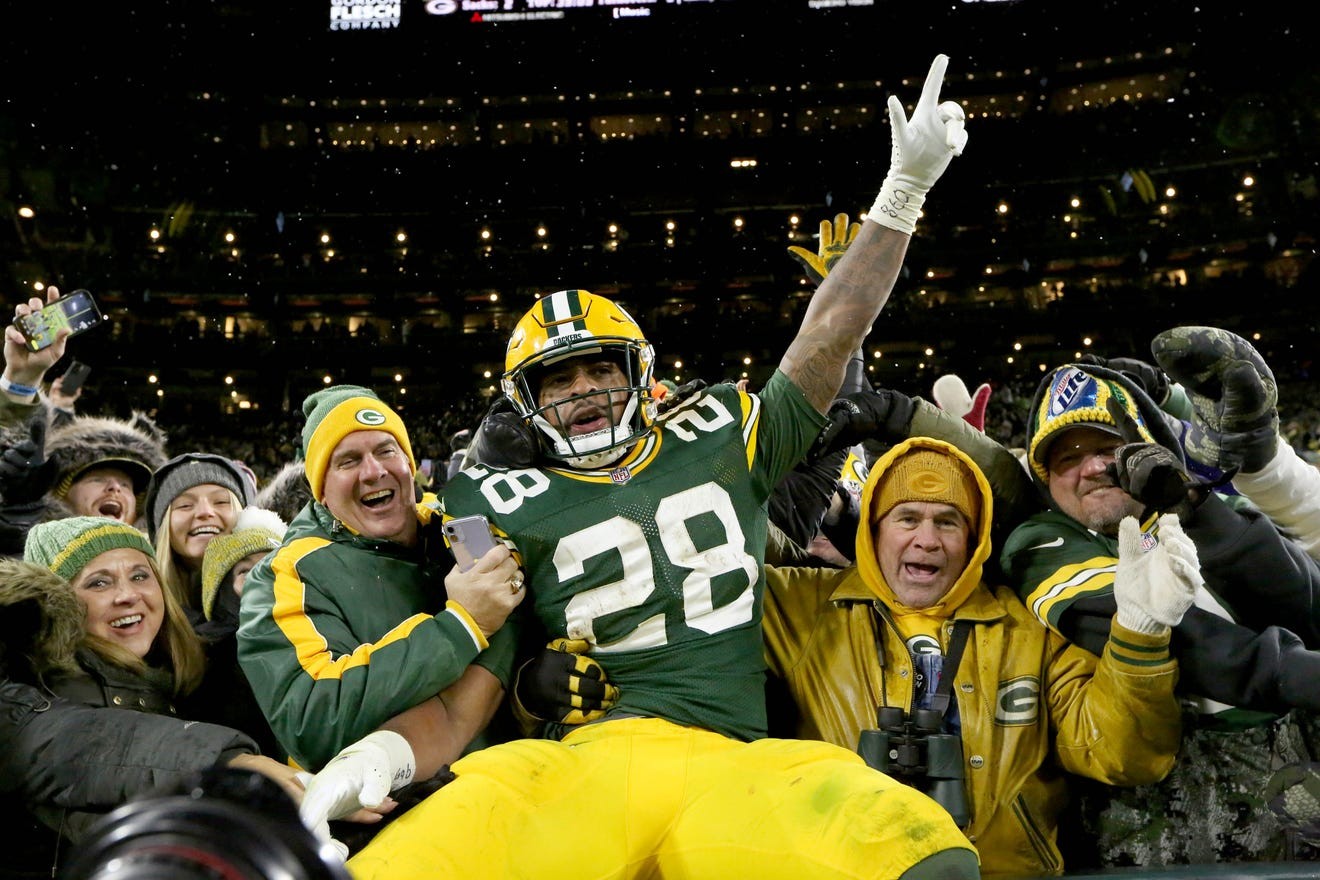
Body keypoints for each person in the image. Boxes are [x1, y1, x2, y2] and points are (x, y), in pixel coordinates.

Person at [326, 53, 980, 880]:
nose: (584, 391)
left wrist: (902, 196)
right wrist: (380, 757)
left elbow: (828, 335)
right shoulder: (493, 503)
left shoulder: (722, 431)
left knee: (919, 855)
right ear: (523, 404)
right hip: (581, 769)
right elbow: (471, 697)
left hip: (735, 763)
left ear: (638, 372)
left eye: (600, 368)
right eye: (557, 378)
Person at [761, 436, 1186, 877]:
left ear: (974, 538)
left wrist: (1139, 631)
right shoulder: (803, 606)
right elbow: (709, 570)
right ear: (873, 530)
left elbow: (1123, 756)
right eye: (907, 518)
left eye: (948, 522)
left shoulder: (1028, 627)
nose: (926, 540)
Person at [1001, 360, 1320, 865]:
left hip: (1299, 788)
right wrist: (1300, 675)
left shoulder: (1202, 507)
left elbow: (1304, 608)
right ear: (1045, 478)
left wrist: (1196, 511)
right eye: (1065, 458)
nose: (1089, 469)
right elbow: (1174, 639)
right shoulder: (1041, 542)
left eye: (1107, 448)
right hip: (1156, 817)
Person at [237, 384, 528, 777]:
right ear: (320, 488)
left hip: (509, 785)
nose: (373, 471)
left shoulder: (461, 523)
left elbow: (523, 620)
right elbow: (312, 722)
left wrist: (532, 686)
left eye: (386, 451)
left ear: (408, 464)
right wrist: (460, 627)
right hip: (389, 820)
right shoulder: (286, 575)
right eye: (348, 460)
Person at [0, 517, 312, 871]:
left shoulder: (194, 679)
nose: (128, 595)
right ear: (60, 607)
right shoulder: (38, 689)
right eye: (99, 583)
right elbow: (74, 751)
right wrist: (230, 764)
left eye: (140, 575)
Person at [144, 451, 255, 625]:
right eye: (185, 505)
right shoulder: (144, 607)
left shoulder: (276, 583)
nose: (205, 512)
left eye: (221, 502)